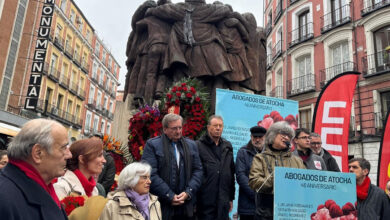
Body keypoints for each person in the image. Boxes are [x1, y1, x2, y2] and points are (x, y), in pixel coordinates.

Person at [0, 119, 71, 219]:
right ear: (38, 153)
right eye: (63, 148)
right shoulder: (5, 199)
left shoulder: (44, 188)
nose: (69, 155)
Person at [142, 113, 203, 220]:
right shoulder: (153, 145)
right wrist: (169, 195)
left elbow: (198, 171)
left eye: (180, 128)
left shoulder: (191, 145)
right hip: (162, 205)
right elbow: (150, 174)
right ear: (165, 129)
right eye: (174, 128)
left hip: (186, 207)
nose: (178, 131)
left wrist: (188, 192)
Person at [249, 121, 306, 220]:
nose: (286, 137)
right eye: (283, 134)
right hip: (266, 213)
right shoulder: (260, 158)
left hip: (291, 212)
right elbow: (254, 183)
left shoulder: (297, 161)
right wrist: (276, 178)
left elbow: (305, 184)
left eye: (288, 136)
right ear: (272, 136)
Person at [196, 115, 235, 220]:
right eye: (215, 125)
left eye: (220, 126)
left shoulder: (227, 146)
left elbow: (231, 174)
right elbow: (195, 174)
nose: (218, 128)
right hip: (205, 201)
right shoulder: (198, 146)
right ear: (208, 127)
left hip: (223, 200)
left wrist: (231, 198)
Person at [236, 126, 266, 220]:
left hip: (266, 206)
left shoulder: (270, 153)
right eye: (255, 137)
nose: (257, 140)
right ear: (251, 137)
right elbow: (240, 176)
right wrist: (256, 195)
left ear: (265, 137)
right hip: (247, 205)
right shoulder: (243, 152)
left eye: (260, 137)